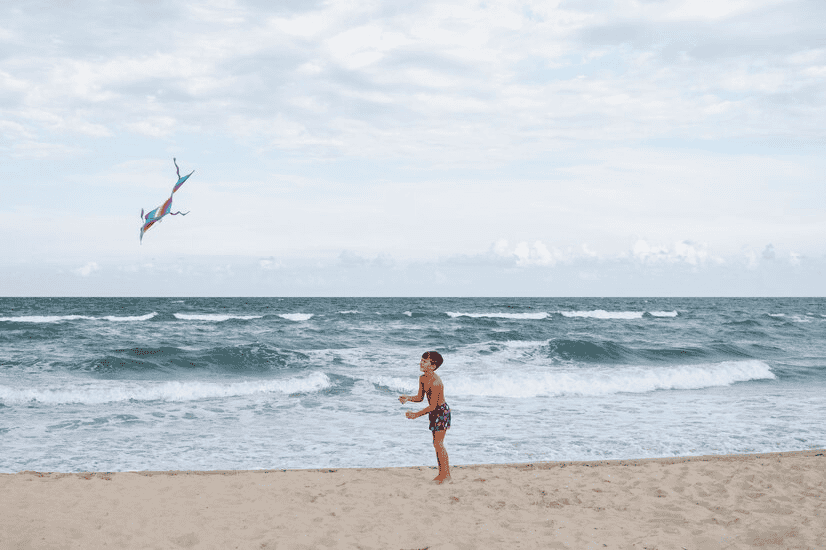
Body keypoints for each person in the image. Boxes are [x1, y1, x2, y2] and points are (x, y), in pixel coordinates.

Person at [399, 351, 451, 484]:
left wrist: (415, 415)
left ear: (433, 366)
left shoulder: (435, 382)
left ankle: (445, 475)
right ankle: (443, 474)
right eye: (421, 360)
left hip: (441, 412)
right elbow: (420, 398)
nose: (421, 362)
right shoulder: (422, 378)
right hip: (434, 412)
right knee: (436, 444)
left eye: (424, 361)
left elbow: (433, 406)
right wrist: (408, 398)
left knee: (438, 444)